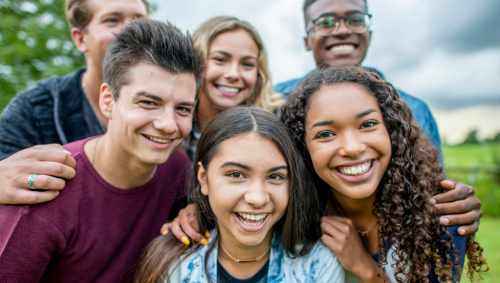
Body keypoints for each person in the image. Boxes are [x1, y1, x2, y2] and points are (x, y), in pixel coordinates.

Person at [0, 19, 204, 282]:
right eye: (148, 102)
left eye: (183, 109)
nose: (167, 125)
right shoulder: (45, 192)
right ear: (108, 100)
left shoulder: (176, 167)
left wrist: (192, 215)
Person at [271, 0, 482, 236]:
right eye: (326, 22)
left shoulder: (413, 108)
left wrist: (454, 206)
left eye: (355, 19)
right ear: (307, 40)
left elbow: (427, 187)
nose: (342, 30)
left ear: (369, 34)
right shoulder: (277, 102)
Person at [280, 65, 488, 282]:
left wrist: (366, 270)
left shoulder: (439, 218)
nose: (352, 148)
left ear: (391, 130)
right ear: (302, 147)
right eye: (325, 134)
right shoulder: (295, 217)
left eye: (368, 124)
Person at [135, 107, 344, 283]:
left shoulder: (318, 268)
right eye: (236, 174)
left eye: (276, 176)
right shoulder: (173, 265)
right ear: (203, 177)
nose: (258, 198)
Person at [0, 0, 150, 204]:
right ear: (80, 38)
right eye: (112, 20)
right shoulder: (34, 110)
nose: (131, 31)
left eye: (139, 20)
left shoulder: (176, 109)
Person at [184, 16, 285, 161]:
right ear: (195, 62)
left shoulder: (282, 124)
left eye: (247, 64)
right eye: (220, 60)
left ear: (258, 73)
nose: (233, 74)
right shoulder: (173, 124)